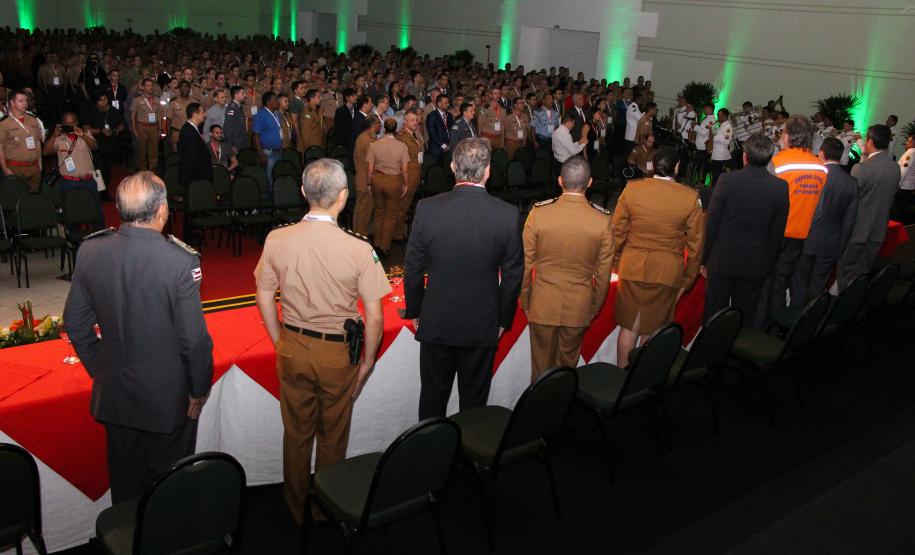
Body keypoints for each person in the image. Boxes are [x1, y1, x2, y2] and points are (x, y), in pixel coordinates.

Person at [63, 171, 213, 504]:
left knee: (126, 487)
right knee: (168, 490)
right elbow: (194, 341)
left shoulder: (90, 251)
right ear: (162, 211)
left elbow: (75, 324)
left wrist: (101, 368)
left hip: (115, 394)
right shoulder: (179, 261)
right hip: (168, 398)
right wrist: (199, 389)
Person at [254, 158, 390, 524]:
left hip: (293, 346)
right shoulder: (359, 248)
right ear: (344, 197)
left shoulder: (277, 238)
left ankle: (296, 508)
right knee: (332, 436)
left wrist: (279, 338)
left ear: (303, 192)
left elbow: (264, 296)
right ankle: (326, 508)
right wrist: (368, 362)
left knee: (297, 434)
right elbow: (375, 316)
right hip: (336, 355)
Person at [403, 138, 523, 419]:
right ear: (488, 171)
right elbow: (512, 277)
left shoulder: (427, 208)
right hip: (482, 322)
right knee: (474, 404)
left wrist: (416, 309)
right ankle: (471, 457)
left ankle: (431, 456)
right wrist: (503, 320)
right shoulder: (507, 215)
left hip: (437, 318)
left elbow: (413, 269)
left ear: (453, 166)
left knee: (432, 399)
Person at [521, 156, 614, 380]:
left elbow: (525, 265)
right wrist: (592, 308)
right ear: (590, 182)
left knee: (540, 369)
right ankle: (561, 410)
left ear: (560, 181)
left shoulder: (539, 213)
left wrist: (526, 301)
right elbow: (603, 275)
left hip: (543, 303)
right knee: (566, 369)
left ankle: (538, 412)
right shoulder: (602, 220)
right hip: (578, 305)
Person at [612, 146, 704, 366]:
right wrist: (688, 280)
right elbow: (696, 246)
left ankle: (621, 376)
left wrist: (616, 264)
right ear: (677, 167)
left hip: (632, 266)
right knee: (653, 326)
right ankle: (640, 380)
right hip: (667, 270)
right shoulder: (690, 197)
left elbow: (615, 233)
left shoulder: (632, 189)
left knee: (629, 326)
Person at [701, 134, 788, 326]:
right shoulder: (780, 187)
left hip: (723, 258)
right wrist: (767, 263)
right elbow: (777, 232)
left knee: (714, 312)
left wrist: (704, 259)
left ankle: (708, 350)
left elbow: (712, 222)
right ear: (769, 158)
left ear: (745, 156)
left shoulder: (727, 180)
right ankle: (737, 348)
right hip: (756, 262)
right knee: (744, 314)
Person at [756, 115, 826, 326]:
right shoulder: (821, 168)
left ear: (787, 137)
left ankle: (762, 330)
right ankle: (778, 328)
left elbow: (765, 203)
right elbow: (819, 209)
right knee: (782, 282)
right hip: (801, 236)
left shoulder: (777, 164)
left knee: (767, 286)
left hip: (775, 235)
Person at [792, 137, 859, 305]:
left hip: (808, 239)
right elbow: (850, 220)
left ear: (821, 153)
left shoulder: (815, 177)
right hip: (832, 242)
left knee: (799, 283)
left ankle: (793, 320)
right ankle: (813, 318)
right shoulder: (851, 182)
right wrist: (840, 246)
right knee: (819, 285)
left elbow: (812, 210)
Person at [836, 125, 901, 289]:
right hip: (879, 229)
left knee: (846, 270)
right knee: (864, 272)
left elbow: (851, 201)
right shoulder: (895, 166)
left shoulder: (861, 168)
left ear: (870, 142)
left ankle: (843, 308)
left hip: (858, 230)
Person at [42, 111, 105, 231]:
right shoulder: (59, 138)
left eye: (72, 123)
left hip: (89, 181)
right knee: (71, 213)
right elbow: (45, 152)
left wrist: (82, 135)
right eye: (66, 123)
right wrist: (54, 135)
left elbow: (95, 146)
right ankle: (73, 238)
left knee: (97, 211)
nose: (69, 126)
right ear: (62, 124)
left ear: (77, 123)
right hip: (69, 182)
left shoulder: (85, 134)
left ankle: (101, 236)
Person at [367, 118, 409, 258]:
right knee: (391, 214)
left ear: (384, 129)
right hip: (394, 181)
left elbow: (370, 168)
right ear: (395, 130)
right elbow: (404, 169)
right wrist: (406, 184)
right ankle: (384, 246)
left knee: (379, 212)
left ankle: (376, 243)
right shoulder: (402, 146)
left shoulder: (374, 145)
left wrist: (369, 183)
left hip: (378, 180)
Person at [0, 89, 44, 190]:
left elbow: (37, 142)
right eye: (21, 101)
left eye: (26, 101)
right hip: (15, 168)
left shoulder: (33, 120)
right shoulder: (4, 123)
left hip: (34, 168)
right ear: (12, 102)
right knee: (17, 200)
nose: (25, 103)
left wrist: (40, 164)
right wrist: (5, 169)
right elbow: (0, 147)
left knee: (33, 200)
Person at [84, 91, 126, 193]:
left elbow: (122, 125)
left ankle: (105, 192)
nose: (104, 102)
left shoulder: (114, 111)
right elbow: (86, 129)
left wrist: (116, 131)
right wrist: (100, 131)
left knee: (108, 170)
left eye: (105, 99)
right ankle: (97, 192)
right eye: (101, 100)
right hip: (97, 146)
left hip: (110, 145)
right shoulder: (91, 112)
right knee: (98, 169)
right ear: (96, 102)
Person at [394, 110, 424, 243]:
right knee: (401, 206)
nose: (415, 122)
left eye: (416, 120)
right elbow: (400, 160)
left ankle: (400, 232)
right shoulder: (401, 136)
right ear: (405, 122)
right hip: (406, 176)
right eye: (412, 120)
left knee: (406, 205)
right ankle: (397, 234)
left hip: (415, 174)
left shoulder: (415, 134)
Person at [129, 79, 166, 172]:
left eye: (152, 85)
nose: (151, 87)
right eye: (148, 86)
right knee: (142, 150)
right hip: (142, 126)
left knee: (153, 150)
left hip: (154, 127)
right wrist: (134, 129)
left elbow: (159, 115)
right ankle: (143, 171)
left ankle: (152, 171)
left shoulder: (157, 99)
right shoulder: (137, 100)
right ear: (143, 87)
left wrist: (160, 129)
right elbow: (133, 115)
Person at [353, 115, 380, 237]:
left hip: (361, 177)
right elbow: (372, 162)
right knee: (364, 210)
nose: (380, 126)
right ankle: (360, 234)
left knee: (362, 209)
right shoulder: (369, 140)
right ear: (373, 125)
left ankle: (358, 233)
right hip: (367, 180)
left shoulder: (361, 137)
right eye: (379, 124)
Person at [252, 92, 283, 189]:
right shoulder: (261, 115)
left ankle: (278, 198)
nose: (278, 102)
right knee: (268, 178)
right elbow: (256, 135)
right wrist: (260, 153)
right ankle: (270, 200)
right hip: (267, 152)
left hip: (278, 151)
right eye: (275, 100)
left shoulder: (276, 113)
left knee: (277, 177)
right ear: (269, 102)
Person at [177, 103, 213, 188]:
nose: (205, 114)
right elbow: (190, 158)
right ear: (195, 115)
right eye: (202, 112)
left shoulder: (193, 129)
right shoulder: (188, 132)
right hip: (195, 179)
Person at [165, 80, 194, 149]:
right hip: (177, 134)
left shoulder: (194, 102)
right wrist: (169, 135)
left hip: (191, 134)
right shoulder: (173, 102)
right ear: (179, 88)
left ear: (190, 89)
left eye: (186, 86)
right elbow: (169, 120)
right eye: (182, 86)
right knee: (177, 157)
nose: (184, 88)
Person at [426, 93, 453, 162]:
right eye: (446, 103)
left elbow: (451, 131)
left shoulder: (449, 115)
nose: (448, 104)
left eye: (448, 102)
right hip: (437, 149)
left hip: (449, 148)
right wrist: (444, 146)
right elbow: (432, 134)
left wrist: (450, 144)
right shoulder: (432, 116)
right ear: (439, 104)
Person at [709, 108, 732, 186]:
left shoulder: (728, 127)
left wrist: (715, 137)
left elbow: (727, 141)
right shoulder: (721, 125)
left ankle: (714, 192)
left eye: (720, 116)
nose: (718, 118)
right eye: (718, 116)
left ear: (725, 117)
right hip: (716, 154)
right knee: (714, 175)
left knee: (717, 177)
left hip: (721, 156)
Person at [223, 85, 248, 154]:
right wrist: (232, 145)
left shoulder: (239, 107)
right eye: (242, 93)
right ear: (236, 95)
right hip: (237, 143)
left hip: (242, 141)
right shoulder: (232, 108)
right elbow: (227, 129)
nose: (245, 95)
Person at [296, 89, 323, 154]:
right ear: (312, 99)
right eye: (318, 97)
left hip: (317, 144)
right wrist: (310, 150)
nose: (321, 98)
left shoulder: (316, 110)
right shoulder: (307, 112)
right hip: (310, 146)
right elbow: (305, 134)